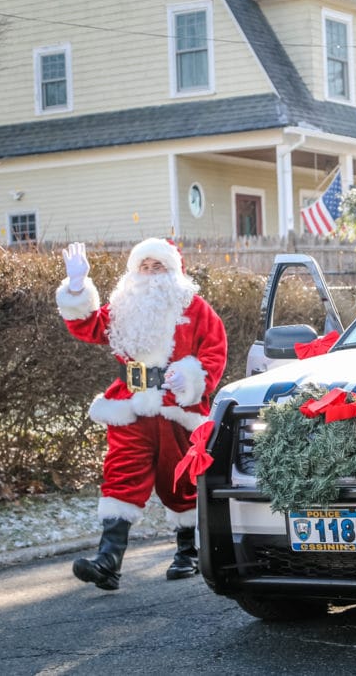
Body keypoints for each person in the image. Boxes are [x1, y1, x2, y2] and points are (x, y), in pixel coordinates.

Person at [55, 238, 228, 590]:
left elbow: (215, 350)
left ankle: (188, 551)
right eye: (144, 267)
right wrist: (76, 287)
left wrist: (192, 375)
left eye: (157, 267)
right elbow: (88, 326)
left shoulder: (195, 309)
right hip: (129, 406)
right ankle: (108, 559)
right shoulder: (123, 305)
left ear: (173, 272)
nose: (150, 274)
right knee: (120, 475)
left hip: (176, 409)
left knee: (178, 480)